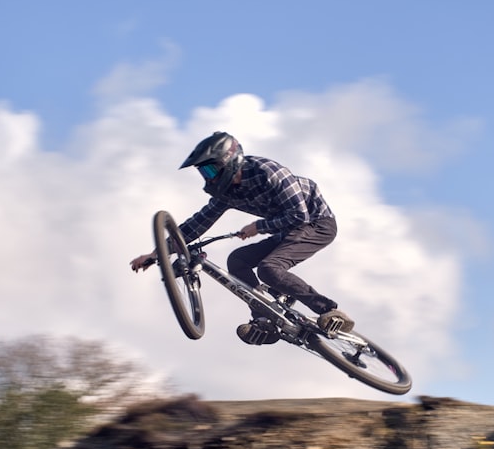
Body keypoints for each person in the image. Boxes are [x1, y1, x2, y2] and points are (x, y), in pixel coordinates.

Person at [131, 131, 354, 345]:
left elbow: (298, 215)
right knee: (237, 260)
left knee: (269, 269)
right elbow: (197, 225)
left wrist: (259, 226)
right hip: (287, 231)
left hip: (316, 223)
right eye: (204, 173)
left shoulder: (269, 172)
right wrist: (155, 253)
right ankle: (265, 318)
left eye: (210, 170)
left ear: (228, 161)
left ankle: (329, 311)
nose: (208, 177)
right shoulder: (227, 193)